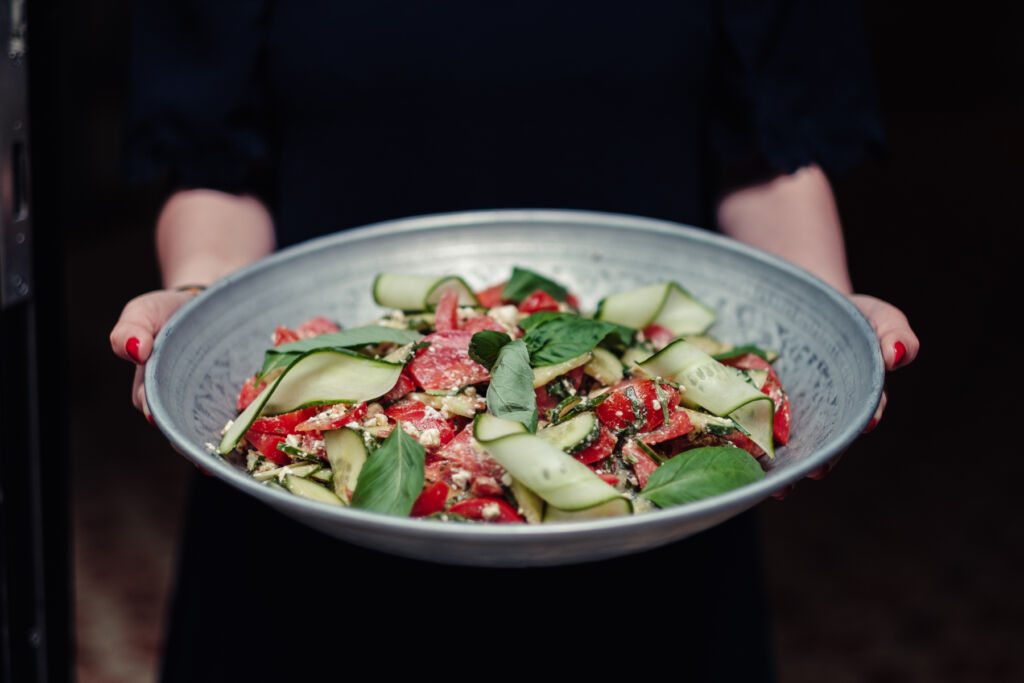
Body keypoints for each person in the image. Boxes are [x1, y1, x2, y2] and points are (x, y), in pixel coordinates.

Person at [110, 2, 918, 680]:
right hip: (302, 545)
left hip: (651, 546)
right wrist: (201, 298)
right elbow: (215, 163)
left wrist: (826, 312)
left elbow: (772, 151)